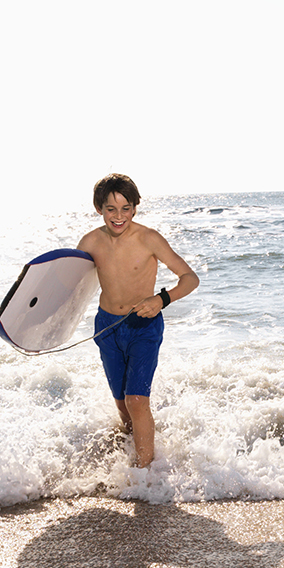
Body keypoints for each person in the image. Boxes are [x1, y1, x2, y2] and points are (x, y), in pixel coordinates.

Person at [76, 173, 200, 468]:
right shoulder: (90, 242)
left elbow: (190, 278)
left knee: (136, 401)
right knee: (122, 403)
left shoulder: (149, 238)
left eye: (126, 208)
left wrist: (161, 300)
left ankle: (145, 474)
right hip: (107, 327)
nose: (119, 217)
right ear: (99, 209)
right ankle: (132, 444)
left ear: (135, 207)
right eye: (111, 209)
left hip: (143, 327)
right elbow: (69, 286)